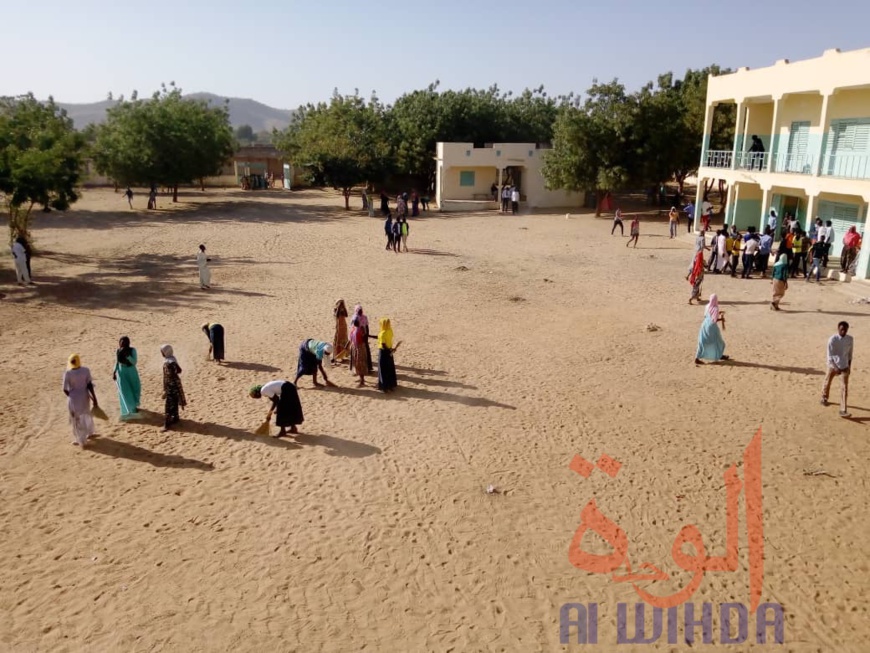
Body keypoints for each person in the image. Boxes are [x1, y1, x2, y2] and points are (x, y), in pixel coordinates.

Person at [63, 354, 99, 447]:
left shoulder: (68, 373)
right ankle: (90, 432)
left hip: (74, 399)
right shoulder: (86, 370)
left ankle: (80, 439)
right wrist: (94, 398)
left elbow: (65, 389)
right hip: (84, 397)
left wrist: (71, 395)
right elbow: (89, 385)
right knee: (86, 414)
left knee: (76, 418)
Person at [822, 321, 853, 417]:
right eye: (841, 329)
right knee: (827, 381)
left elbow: (850, 354)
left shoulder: (850, 339)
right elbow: (829, 355)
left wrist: (849, 366)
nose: (843, 331)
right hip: (832, 365)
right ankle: (824, 397)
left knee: (844, 388)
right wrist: (836, 367)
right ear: (838, 329)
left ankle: (843, 409)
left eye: (845, 329)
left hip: (844, 365)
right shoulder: (832, 340)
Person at [694, 294, 728, 365]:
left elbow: (706, 315)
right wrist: (721, 319)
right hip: (712, 327)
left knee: (702, 341)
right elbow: (714, 320)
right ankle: (719, 355)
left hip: (704, 325)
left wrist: (718, 313)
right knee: (719, 342)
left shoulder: (707, 306)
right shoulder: (715, 308)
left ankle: (697, 358)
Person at [113, 336, 141, 420]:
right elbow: (117, 362)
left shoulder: (132, 350)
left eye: (125, 343)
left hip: (131, 371)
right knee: (125, 391)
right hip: (122, 372)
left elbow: (134, 362)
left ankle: (134, 406)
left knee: (135, 388)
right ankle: (128, 409)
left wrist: (128, 356)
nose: (123, 345)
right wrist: (114, 371)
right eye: (121, 344)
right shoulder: (118, 351)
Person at [160, 345, 186, 431]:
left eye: (162, 352)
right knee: (174, 401)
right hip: (174, 384)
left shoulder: (169, 362)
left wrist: (171, 375)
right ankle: (175, 417)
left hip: (171, 386)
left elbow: (177, 371)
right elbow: (179, 370)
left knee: (168, 404)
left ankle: (166, 424)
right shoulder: (172, 359)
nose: (162, 353)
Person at [376, 317, 399, 392]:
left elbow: (383, 344)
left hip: (383, 353)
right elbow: (380, 338)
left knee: (383, 369)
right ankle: (391, 385)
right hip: (390, 351)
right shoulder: (390, 331)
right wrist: (391, 350)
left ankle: (384, 387)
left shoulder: (382, 334)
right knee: (389, 369)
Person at [353, 304, 374, 373]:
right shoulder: (359, 318)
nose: (360, 312)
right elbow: (366, 327)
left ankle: (366, 368)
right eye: (360, 310)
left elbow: (366, 326)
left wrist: (366, 335)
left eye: (360, 310)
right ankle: (366, 368)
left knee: (363, 352)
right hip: (361, 336)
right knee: (363, 353)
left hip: (361, 336)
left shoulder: (360, 317)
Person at [348, 317, 368, 387]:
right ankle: (361, 379)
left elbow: (352, 340)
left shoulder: (355, 331)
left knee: (359, 363)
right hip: (360, 348)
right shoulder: (359, 330)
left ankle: (362, 380)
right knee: (360, 363)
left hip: (358, 348)